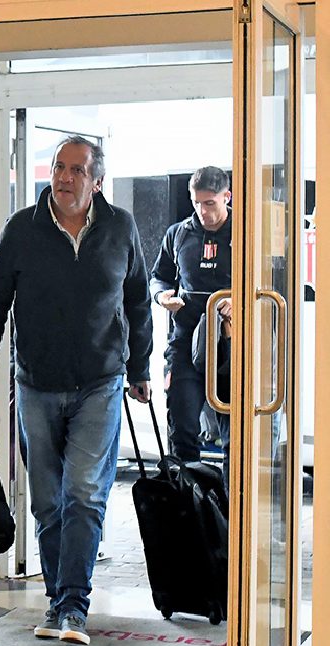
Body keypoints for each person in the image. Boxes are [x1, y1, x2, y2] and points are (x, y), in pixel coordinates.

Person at [0, 136, 151, 645]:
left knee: (85, 494)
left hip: (101, 381)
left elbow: (136, 301)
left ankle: (72, 605)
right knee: (48, 502)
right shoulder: (22, 229)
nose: (65, 178)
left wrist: (140, 367)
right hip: (36, 384)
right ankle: (58, 601)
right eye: (59, 168)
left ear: (97, 180)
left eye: (77, 170)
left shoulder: (120, 227)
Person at [150, 166, 232, 461]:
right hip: (185, 345)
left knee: (234, 440)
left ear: (227, 197)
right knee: (183, 431)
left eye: (209, 203)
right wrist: (162, 297)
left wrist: (241, 301)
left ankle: (227, 505)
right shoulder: (179, 234)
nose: (202, 211)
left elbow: (272, 285)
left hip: (230, 348)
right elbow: (158, 276)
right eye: (196, 202)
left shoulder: (247, 233)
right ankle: (190, 503)